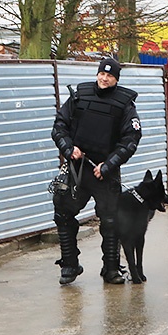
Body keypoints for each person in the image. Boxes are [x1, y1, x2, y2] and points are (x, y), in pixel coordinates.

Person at [51, 58, 142, 285]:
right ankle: (70, 264)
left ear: (116, 79)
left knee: (110, 221)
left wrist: (109, 165)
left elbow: (131, 139)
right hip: (77, 168)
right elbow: (59, 126)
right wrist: (68, 148)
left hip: (105, 172)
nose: (104, 78)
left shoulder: (125, 104)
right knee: (63, 212)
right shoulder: (79, 95)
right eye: (102, 73)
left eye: (110, 76)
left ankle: (111, 269)